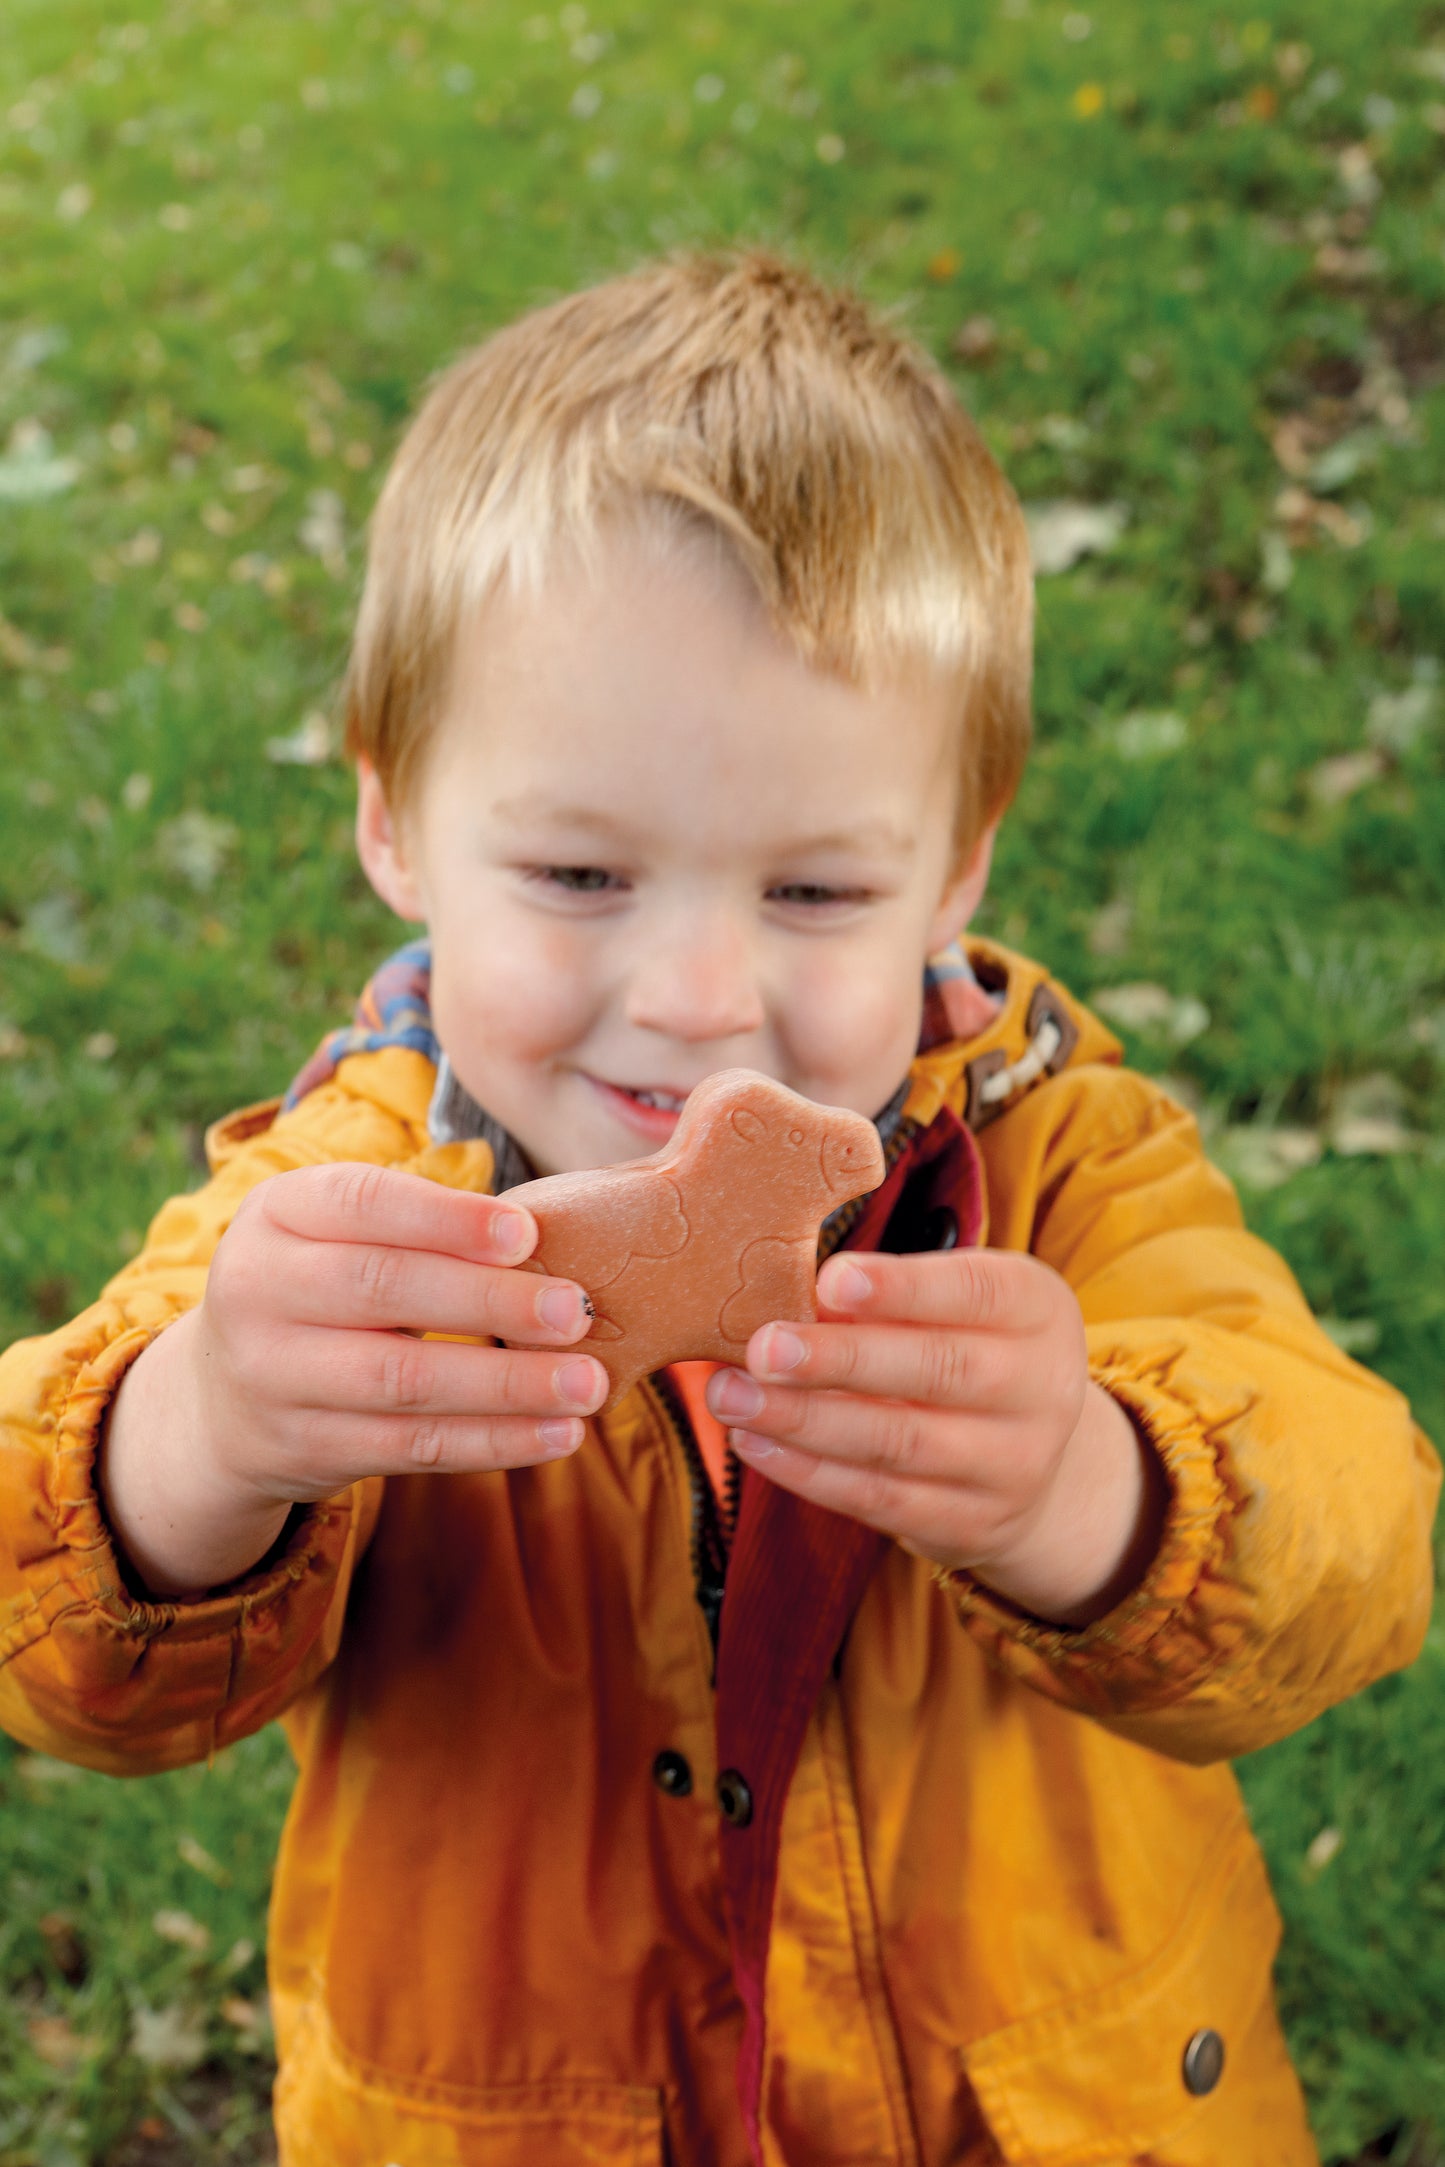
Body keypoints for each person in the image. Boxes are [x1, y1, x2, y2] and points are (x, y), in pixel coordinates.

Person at [0, 252, 1435, 2167]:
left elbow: (1366, 1543)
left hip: (1049, 2116)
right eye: (583, 872)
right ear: (395, 823)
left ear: (954, 866)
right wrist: (200, 1434)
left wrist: (1089, 1491)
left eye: (817, 895)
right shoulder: (340, 1227)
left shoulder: (1059, 1173)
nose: (693, 993)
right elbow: (66, 1658)